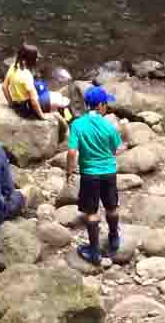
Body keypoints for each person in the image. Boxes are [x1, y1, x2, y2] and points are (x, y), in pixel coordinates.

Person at [66, 85, 124, 266]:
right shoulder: (109, 126)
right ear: (100, 105)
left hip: (89, 174)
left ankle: (94, 251)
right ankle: (114, 238)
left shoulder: (77, 125)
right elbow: (115, 149)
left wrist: (69, 172)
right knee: (112, 207)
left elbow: (71, 152)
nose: (106, 106)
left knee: (91, 213)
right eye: (105, 103)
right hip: (108, 173)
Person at [3, 43, 70, 123]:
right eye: (35, 57)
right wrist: (42, 116)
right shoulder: (26, 76)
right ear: (29, 59)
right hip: (27, 106)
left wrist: (11, 104)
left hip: (19, 103)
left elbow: (4, 87)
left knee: (58, 95)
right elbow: (34, 100)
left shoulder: (14, 66)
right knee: (62, 102)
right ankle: (67, 119)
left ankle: (64, 114)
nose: (37, 59)